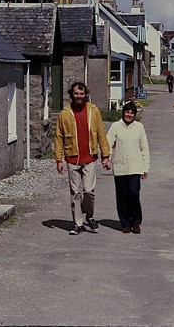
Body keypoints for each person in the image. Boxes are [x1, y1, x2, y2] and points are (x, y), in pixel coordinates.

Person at [54, 82, 111, 235]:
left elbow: (101, 133)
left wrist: (106, 156)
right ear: (71, 94)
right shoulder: (64, 113)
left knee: (88, 190)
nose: (79, 96)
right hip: (72, 158)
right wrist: (58, 159)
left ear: (85, 94)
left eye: (81, 94)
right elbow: (58, 138)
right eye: (76, 94)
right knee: (75, 192)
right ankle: (78, 223)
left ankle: (90, 216)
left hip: (90, 157)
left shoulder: (93, 110)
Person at [107, 101, 150, 234]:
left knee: (133, 193)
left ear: (135, 114)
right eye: (127, 112)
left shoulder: (139, 127)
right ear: (123, 112)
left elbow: (145, 148)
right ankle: (125, 223)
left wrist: (145, 167)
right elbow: (108, 144)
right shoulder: (115, 126)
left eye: (131, 113)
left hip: (135, 167)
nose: (129, 115)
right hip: (120, 168)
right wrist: (106, 159)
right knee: (122, 196)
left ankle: (136, 222)